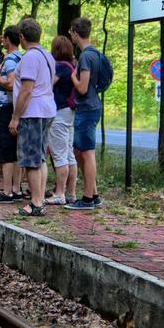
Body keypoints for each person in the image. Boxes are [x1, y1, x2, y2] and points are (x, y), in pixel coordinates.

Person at [9, 18, 56, 216]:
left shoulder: (29, 57)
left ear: (21, 37)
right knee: (40, 157)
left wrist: (15, 117)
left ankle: (36, 202)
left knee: (30, 159)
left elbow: (26, 90)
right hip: (47, 109)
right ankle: (40, 199)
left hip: (32, 112)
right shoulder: (47, 56)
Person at [66, 17, 103, 210]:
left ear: (74, 33)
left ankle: (88, 198)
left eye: (70, 32)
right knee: (78, 150)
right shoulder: (93, 53)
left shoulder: (86, 56)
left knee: (87, 153)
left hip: (87, 108)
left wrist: (73, 75)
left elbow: (82, 87)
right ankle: (94, 193)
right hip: (88, 107)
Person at [0, 25, 23, 203]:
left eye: (3, 38)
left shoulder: (10, 60)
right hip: (16, 106)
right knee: (16, 150)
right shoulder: (21, 58)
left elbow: (10, 83)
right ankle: (16, 189)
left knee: (6, 148)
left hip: (6, 106)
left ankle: (7, 191)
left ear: (8, 39)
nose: (2, 40)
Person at [45, 35, 79, 205]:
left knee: (59, 155)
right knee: (69, 154)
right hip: (70, 112)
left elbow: (47, 85)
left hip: (58, 113)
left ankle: (60, 193)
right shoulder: (72, 66)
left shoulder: (60, 67)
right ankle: (71, 193)